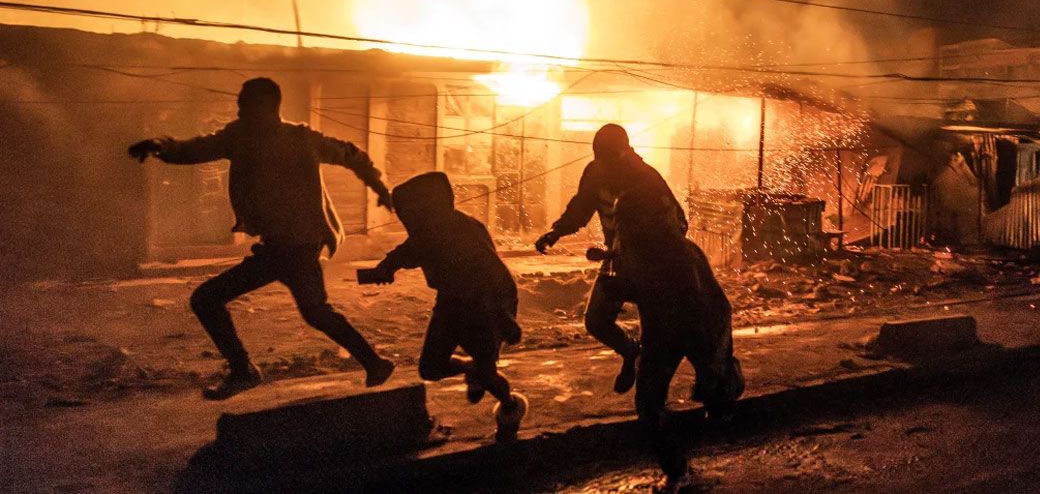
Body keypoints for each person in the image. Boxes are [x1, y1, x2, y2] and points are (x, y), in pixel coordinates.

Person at [128, 77, 395, 400]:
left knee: (210, 300)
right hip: (279, 248)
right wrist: (161, 146)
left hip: (296, 247)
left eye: (245, 103)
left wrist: (380, 188)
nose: (239, 109)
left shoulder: (300, 138)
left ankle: (245, 371)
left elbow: (352, 155)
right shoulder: (239, 136)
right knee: (314, 312)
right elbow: (194, 149)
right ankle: (373, 363)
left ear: (267, 107)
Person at [595, 179, 744, 492]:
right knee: (648, 405)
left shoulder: (677, 252)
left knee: (714, 400)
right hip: (666, 331)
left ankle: (727, 383)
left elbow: (675, 295)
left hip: (699, 327)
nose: (621, 228)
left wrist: (627, 288)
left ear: (644, 221)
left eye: (626, 221)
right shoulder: (642, 247)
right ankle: (677, 471)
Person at [358, 172, 528, 443]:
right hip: (451, 301)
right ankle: (472, 367)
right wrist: (386, 267)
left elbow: (494, 278)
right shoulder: (430, 232)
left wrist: (504, 319)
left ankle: (510, 407)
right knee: (430, 367)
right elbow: (408, 251)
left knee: (487, 374)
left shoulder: (465, 231)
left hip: (486, 304)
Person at [535, 124, 686, 394]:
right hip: (617, 259)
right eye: (599, 158)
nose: (604, 166)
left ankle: (653, 389)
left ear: (625, 153)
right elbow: (580, 207)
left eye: (608, 159)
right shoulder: (595, 173)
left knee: (656, 329)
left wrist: (656, 252)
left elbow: (678, 221)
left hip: (652, 264)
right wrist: (556, 233)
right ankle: (630, 352)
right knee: (596, 321)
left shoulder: (647, 179)